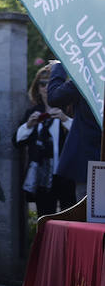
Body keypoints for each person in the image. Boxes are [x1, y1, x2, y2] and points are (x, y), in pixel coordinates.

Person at [15, 63, 74, 216]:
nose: (46, 87)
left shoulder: (69, 109)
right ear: (37, 88)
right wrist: (28, 125)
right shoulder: (34, 112)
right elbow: (17, 141)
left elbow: (81, 135)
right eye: (42, 83)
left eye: (50, 82)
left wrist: (65, 119)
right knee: (45, 218)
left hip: (66, 174)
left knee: (69, 217)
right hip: (42, 176)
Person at [47, 61, 103, 201]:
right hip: (91, 162)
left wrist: (58, 67)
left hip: (88, 163)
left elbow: (54, 98)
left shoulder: (88, 78)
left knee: (88, 218)